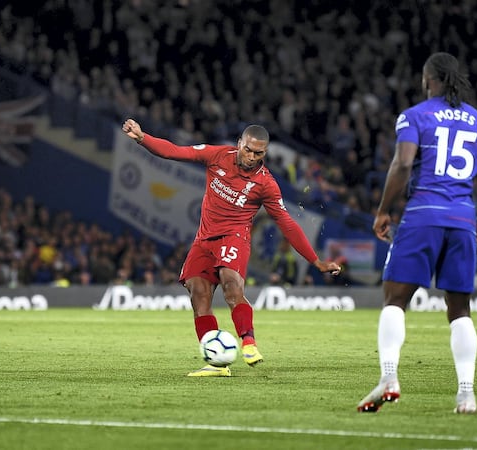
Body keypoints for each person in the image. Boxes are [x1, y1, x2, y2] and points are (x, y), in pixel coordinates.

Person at [357, 52, 477, 414]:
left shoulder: (414, 115)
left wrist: (384, 210)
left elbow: (402, 163)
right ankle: (466, 394)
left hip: (423, 216)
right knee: (459, 309)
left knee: (395, 300)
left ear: (428, 79)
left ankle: (389, 377)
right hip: (462, 219)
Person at [122, 118, 342, 377]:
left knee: (230, 284)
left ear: (265, 153)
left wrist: (316, 261)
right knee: (198, 295)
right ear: (239, 143)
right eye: (247, 149)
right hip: (204, 239)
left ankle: (248, 342)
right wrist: (141, 137)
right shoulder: (217, 155)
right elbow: (175, 151)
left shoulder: (266, 184)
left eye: (258, 153)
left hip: (235, 237)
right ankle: (217, 364)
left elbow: (287, 223)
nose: (251, 156)